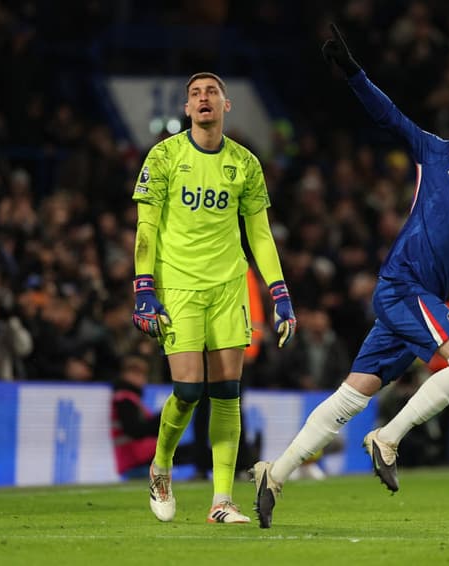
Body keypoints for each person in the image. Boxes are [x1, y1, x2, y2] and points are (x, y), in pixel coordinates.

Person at [249, 24, 449, 529]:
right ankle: (389, 437)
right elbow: (388, 115)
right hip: (403, 286)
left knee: (350, 397)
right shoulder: (434, 152)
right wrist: (353, 71)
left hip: (421, 298)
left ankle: (275, 473)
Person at [131, 72, 296, 524]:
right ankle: (161, 464)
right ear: (187, 109)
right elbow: (146, 228)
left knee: (227, 393)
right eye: (195, 94)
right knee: (187, 391)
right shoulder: (164, 156)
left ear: (226, 106)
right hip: (178, 285)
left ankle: (222, 500)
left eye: (212, 93)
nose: (203, 99)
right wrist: (143, 286)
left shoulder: (245, 163)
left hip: (228, 287)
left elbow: (259, 234)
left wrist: (279, 293)